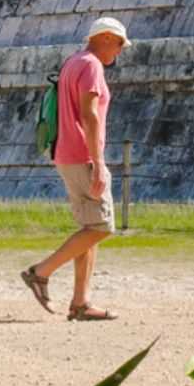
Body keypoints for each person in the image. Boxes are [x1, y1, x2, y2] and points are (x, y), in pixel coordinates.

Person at [21, 16, 125, 321]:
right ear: (105, 37)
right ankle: (40, 272)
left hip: (65, 152)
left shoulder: (72, 63)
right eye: (118, 44)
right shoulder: (91, 65)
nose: (118, 52)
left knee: (90, 227)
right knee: (102, 227)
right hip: (82, 155)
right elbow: (90, 115)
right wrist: (99, 164)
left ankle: (81, 302)